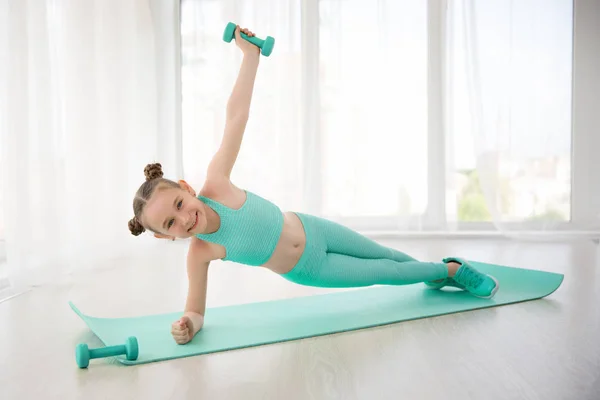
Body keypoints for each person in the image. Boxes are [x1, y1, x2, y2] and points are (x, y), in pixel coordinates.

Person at [127, 26, 499, 345]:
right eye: (170, 225)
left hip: (311, 227)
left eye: (177, 205)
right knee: (387, 273)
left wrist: (250, 55)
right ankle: (450, 270)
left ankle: (430, 272)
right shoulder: (200, 253)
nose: (184, 219)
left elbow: (236, 115)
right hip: (311, 267)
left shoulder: (217, 184)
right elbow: (196, 309)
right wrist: (188, 325)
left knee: (385, 255)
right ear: (165, 237)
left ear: (187, 189)